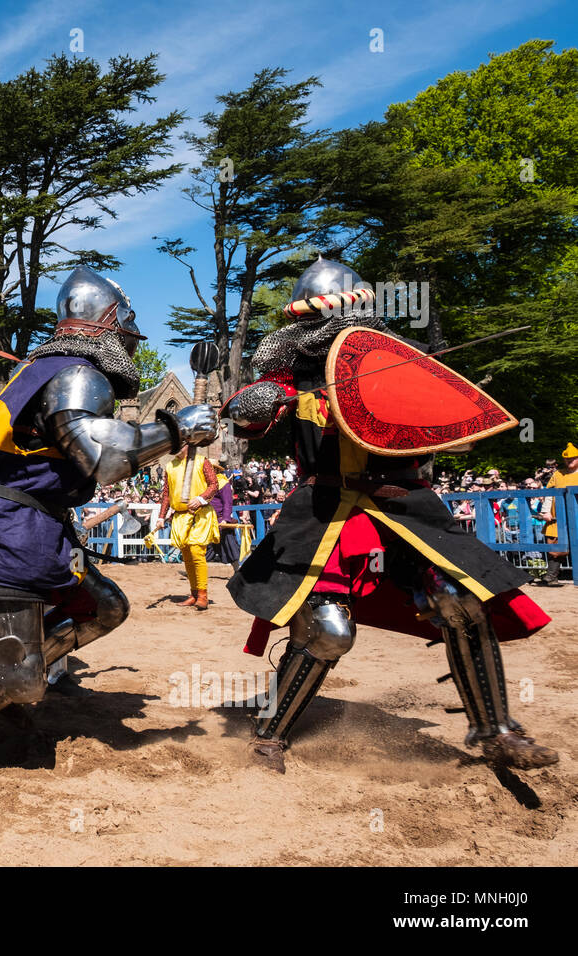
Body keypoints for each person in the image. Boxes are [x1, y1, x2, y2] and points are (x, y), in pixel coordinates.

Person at [0, 266, 216, 789]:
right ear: (107, 320)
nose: (128, 337)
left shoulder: (44, 366)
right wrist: (175, 427)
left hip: (31, 526)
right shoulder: (78, 373)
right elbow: (102, 459)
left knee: (105, 607)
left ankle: (20, 651)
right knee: (14, 674)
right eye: (126, 327)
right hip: (6, 531)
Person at [223, 256, 556, 772]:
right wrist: (259, 402)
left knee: (460, 598)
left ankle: (496, 731)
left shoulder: (403, 360)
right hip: (326, 507)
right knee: (328, 629)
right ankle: (271, 734)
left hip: (404, 503)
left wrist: (433, 424)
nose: (322, 332)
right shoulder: (295, 372)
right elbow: (248, 416)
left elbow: (448, 426)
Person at [155, 449, 220, 609]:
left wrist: (200, 498)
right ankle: (194, 594)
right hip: (180, 516)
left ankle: (203, 595)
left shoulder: (201, 460)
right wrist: (161, 516)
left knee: (196, 551)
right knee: (187, 555)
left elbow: (214, 485)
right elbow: (167, 494)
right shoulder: (170, 466)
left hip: (200, 513)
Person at [536, 442, 578, 586]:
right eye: (567, 458)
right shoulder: (558, 474)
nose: (570, 460)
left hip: (576, 516)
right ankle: (551, 576)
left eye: (573, 458)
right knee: (554, 547)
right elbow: (549, 494)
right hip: (558, 517)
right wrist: (546, 511)